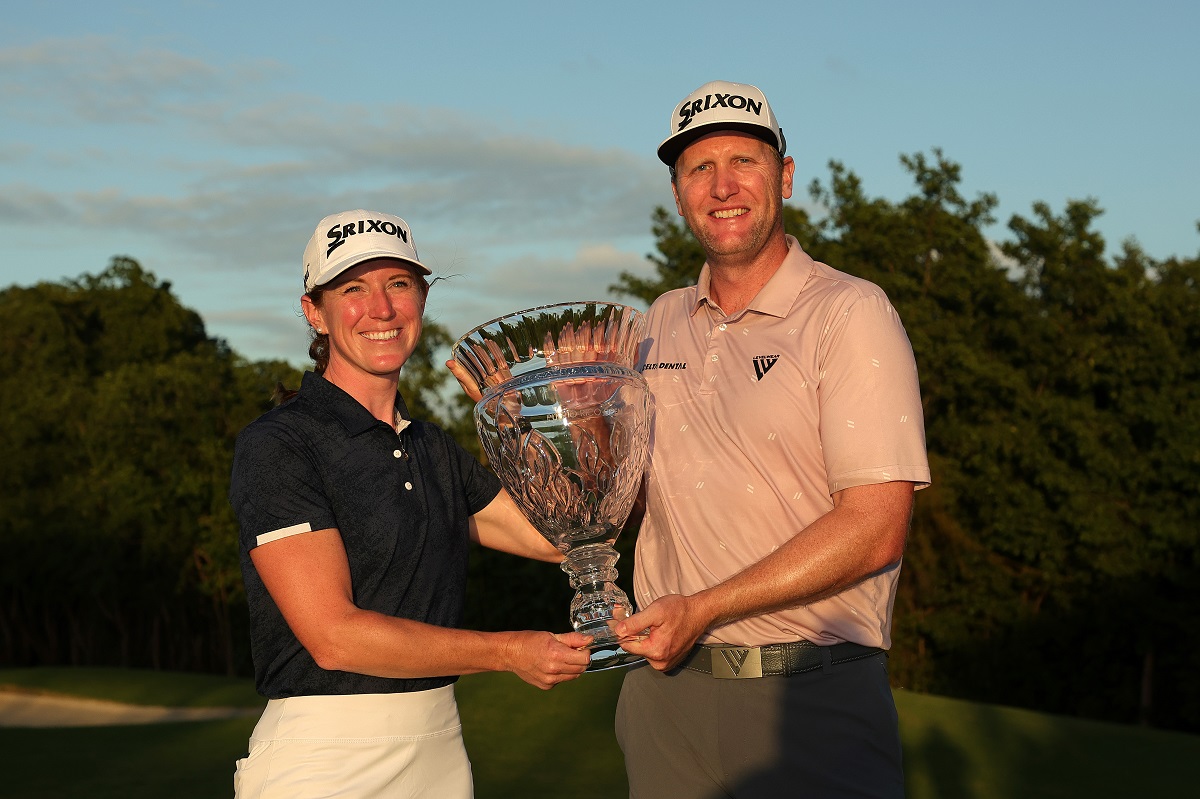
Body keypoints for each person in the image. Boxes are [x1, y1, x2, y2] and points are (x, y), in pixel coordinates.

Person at [609, 81, 931, 797]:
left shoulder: (849, 312)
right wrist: (543, 416)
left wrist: (703, 607)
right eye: (699, 167)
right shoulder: (656, 321)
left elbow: (876, 526)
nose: (723, 186)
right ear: (677, 191)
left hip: (807, 701)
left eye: (744, 162)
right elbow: (622, 503)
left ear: (784, 176)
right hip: (666, 700)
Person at [229, 209, 592, 799]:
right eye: (353, 288)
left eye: (398, 284)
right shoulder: (280, 444)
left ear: (421, 300)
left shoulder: (430, 446)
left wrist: (511, 411)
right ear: (313, 312)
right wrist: (507, 651)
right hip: (323, 759)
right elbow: (334, 636)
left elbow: (559, 536)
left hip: (439, 747)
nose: (381, 308)